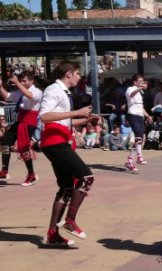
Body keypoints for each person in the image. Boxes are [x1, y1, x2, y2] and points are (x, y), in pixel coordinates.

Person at [39, 60, 94, 246]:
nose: (79, 77)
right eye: (77, 73)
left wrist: (83, 119)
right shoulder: (54, 90)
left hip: (57, 141)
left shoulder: (62, 91)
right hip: (54, 143)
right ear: (69, 74)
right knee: (86, 177)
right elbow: (44, 116)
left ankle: (52, 234)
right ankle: (69, 221)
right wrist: (75, 113)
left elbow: (61, 121)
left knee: (66, 188)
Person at [0, 71, 42, 186]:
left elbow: (30, 96)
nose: (22, 83)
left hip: (29, 122)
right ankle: (4, 170)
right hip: (20, 121)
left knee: (23, 148)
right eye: (21, 80)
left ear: (31, 81)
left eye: (24, 81)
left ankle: (31, 174)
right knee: (5, 142)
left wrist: (17, 83)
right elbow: (8, 97)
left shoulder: (37, 91)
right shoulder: (20, 91)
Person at [124, 74, 153, 171]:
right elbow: (131, 95)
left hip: (140, 115)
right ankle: (139, 157)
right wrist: (139, 88)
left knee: (139, 137)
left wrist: (148, 116)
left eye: (142, 81)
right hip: (132, 114)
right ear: (134, 82)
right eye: (139, 81)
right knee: (138, 136)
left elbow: (141, 107)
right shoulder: (130, 89)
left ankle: (130, 160)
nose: (141, 82)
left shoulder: (140, 92)